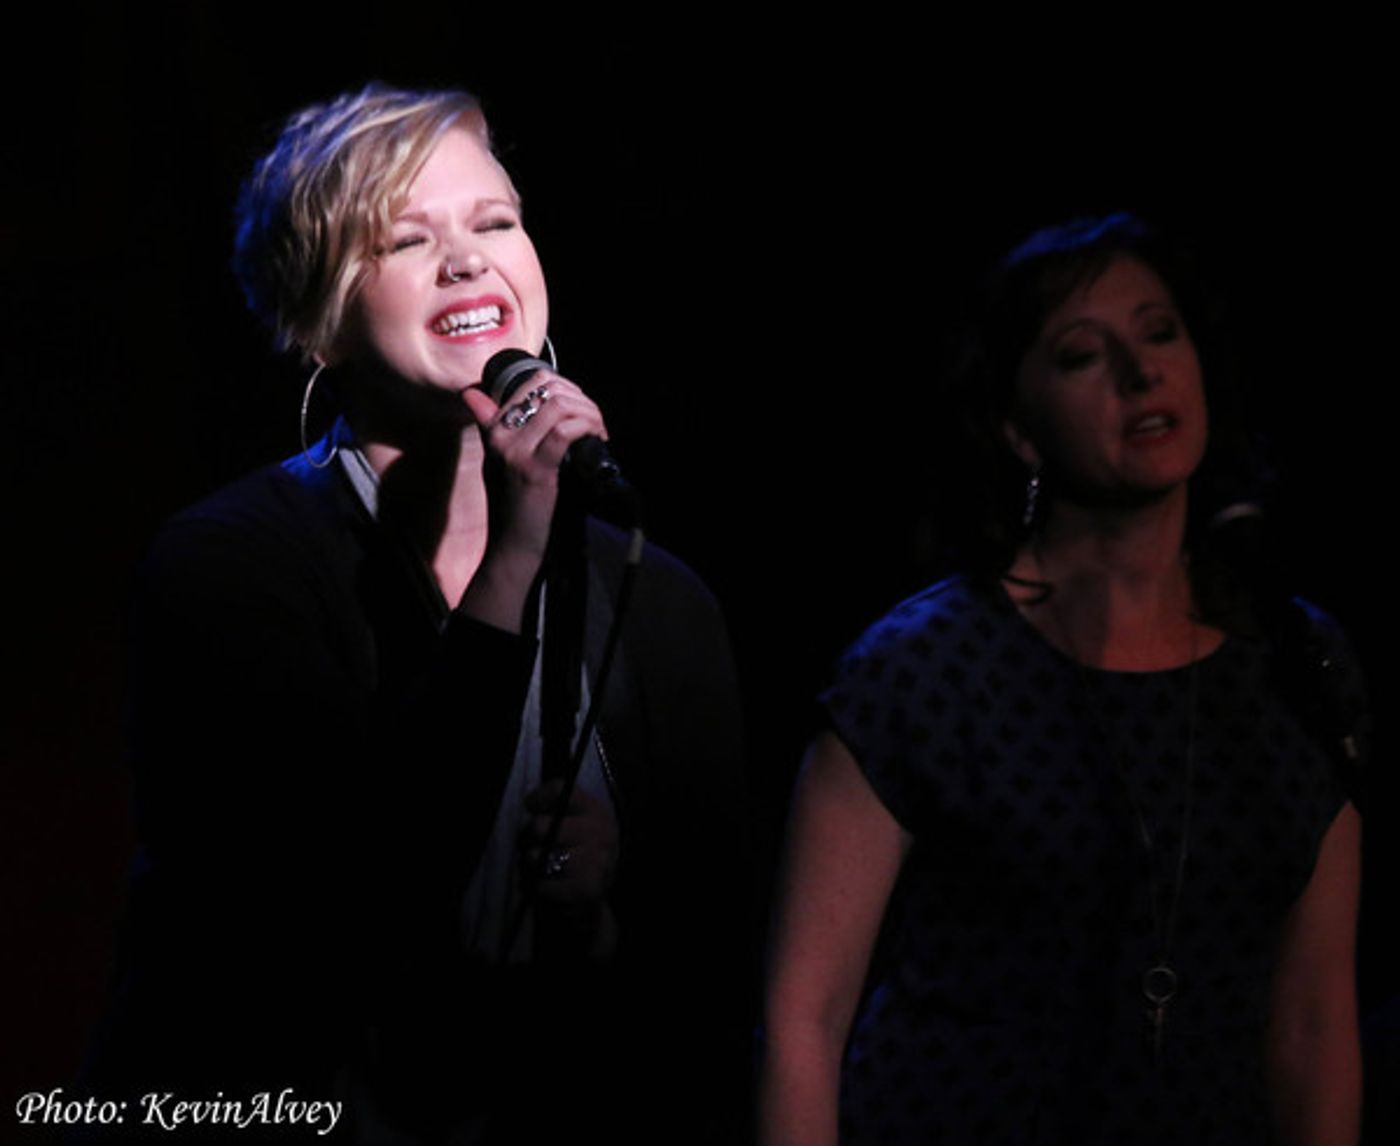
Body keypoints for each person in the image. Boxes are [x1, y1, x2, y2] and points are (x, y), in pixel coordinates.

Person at [84, 84, 749, 1144]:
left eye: (494, 222)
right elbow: (314, 925)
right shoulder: (227, 568)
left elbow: (720, 971)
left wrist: (599, 914)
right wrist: (514, 559)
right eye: (405, 239)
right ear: (318, 322)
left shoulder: (655, 597)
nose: (467, 260)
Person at [760, 214, 1366, 1145]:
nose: (1143, 371)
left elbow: (1316, 1018)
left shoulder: (1296, 660)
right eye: (1085, 354)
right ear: (1019, 429)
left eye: (1161, 332)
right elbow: (806, 1019)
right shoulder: (922, 668)